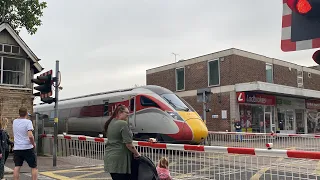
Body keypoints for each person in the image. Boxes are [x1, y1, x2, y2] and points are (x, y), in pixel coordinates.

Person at [104, 104, 141, 180]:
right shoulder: (123, 124)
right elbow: (129, 144)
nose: (128, 115)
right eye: (126, 113)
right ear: (120, 113)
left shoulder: (110, 122)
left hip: (110, 158)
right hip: (120, 160)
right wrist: (137, 154)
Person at [12, 107, 37, 180]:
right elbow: (30, 135)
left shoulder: (14, 122)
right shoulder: (28, 122)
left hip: (17, 148)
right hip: (27, 148)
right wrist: (33, 144)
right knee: (33, 167)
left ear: (19, 113)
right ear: (26, 113)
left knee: (17, 167)